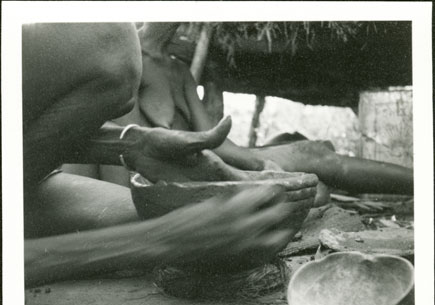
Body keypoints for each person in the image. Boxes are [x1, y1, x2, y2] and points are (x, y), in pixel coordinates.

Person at [23, 23, 309, 288]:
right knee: (110, 41)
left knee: (206, 230)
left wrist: (132, 145)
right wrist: (157, 240)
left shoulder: (176, 71)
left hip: (29, 185)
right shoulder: (122, 47)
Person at [86, 22, 413, 196]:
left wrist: (262, 164)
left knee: (316, 153)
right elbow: (123, 167)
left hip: (212, 162)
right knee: (316, 193)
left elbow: (220, 145)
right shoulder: (125, 60)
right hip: (174, 178)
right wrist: (249, 178)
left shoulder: (176, 70)